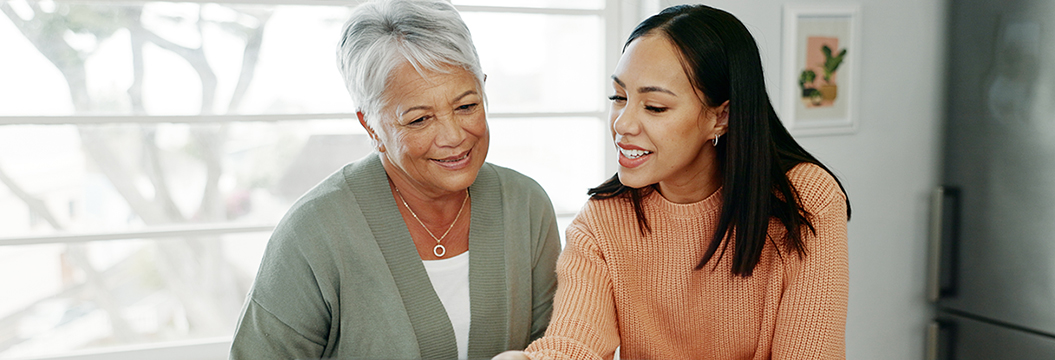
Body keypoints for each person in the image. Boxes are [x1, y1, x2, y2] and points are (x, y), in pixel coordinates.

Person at [494, 4, 851, 360]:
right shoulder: (603, 219)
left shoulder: (806, 200)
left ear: (721, 117)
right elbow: (573, 342)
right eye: (619, 98)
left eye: (654, 107)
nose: (622, 124)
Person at [229, 0, 561, 359]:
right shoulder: (313, 233)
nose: (453, 136)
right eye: (419, 119)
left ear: (483, 89)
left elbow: (558, 346)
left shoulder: (526, 206)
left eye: (466, 106)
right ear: (370, 125)